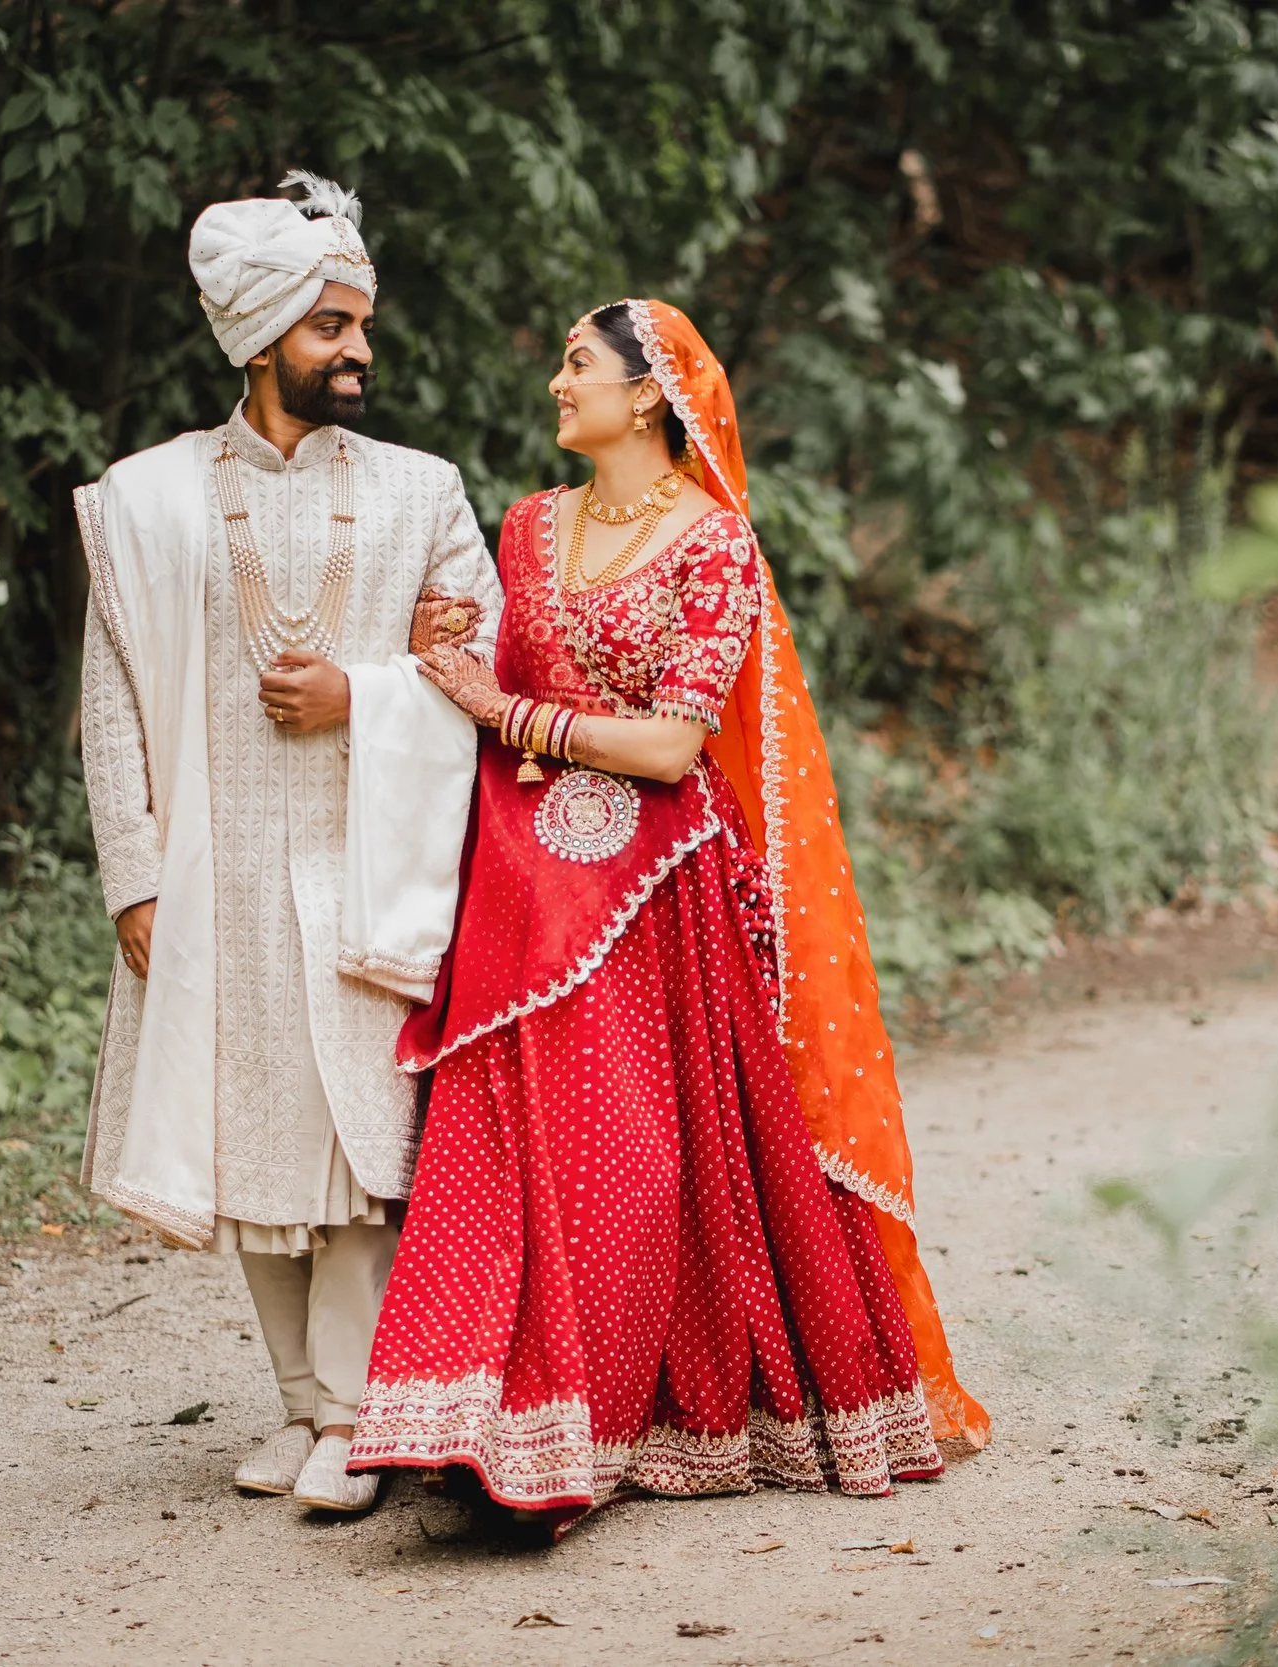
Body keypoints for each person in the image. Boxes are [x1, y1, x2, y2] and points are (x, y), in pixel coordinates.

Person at [346, 299, 989, 1532]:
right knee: (498, 1145)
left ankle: (596, 1430)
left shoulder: (713, 544)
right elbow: (487, 666)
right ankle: (469, 1428)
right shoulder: (527, 525)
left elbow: (671, 745)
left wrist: (507, 713)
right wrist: (450, 653)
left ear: (646, 393)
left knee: (634, 1163)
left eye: (576, 363)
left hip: (655, 889)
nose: (556, 382)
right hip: (519, 879)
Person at [72, 172, 499, 1516]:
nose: (360, 349)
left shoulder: (423, 492)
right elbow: (112, 699)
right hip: (223, 868)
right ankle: (308, 1401)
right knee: (248, 1141)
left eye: (363, 324)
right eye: (332, 327)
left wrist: (360, 694)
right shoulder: (150, 500)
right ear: (262, 342)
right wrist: (135, 876)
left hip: (375, 863)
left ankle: (359, 1414)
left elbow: (485, 668)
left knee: (359, 1142)